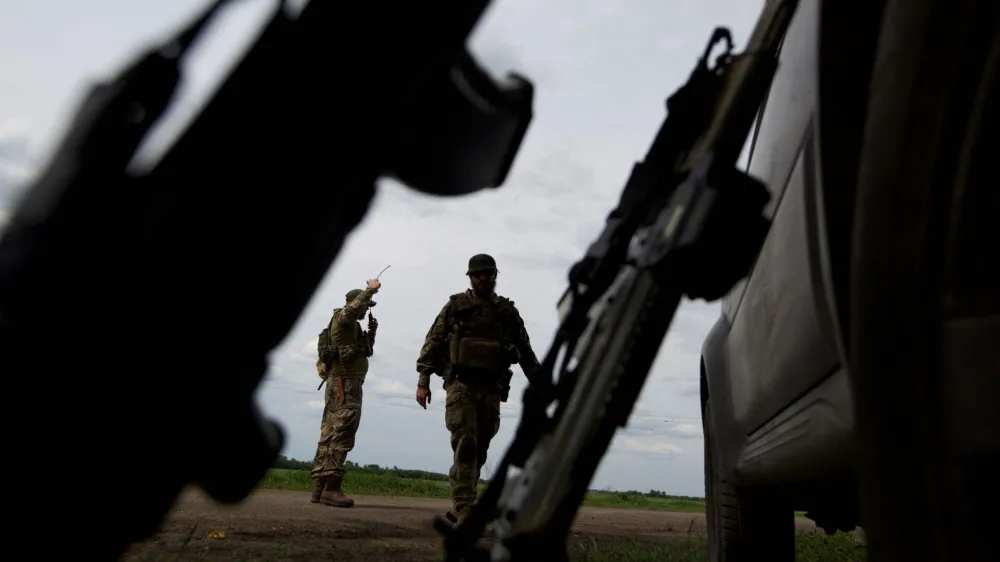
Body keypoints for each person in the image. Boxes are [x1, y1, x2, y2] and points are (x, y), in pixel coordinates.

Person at [415, 253, 541, 524]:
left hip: (492, 388)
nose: (484, 278)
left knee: (481, 446)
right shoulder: (456, 307)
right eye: (478, 274)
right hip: (461, 384)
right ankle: (464, 506)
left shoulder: (506, 313)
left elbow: (526, 353)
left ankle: (462, 501)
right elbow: (433, 342)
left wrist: (542, 387)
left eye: (489, 273)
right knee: (466, 442)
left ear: (495, 275)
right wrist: (423, 381)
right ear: (470, 278)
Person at [309, 278, 381, 508]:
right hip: (345, 385)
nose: (365, 311)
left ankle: (320, 487)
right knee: (343, 432)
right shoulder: (343, 318)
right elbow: (352, 310)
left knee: (329, 433)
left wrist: (371, 333)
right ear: (353, 303)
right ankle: (332, 488)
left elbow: (361, 350)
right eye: (364, 306)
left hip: (340, 383)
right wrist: (370, 289)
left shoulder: (353, 328)